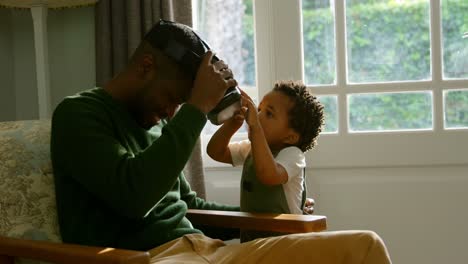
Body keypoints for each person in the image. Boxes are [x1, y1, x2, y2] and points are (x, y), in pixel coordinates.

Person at [51, 19, 392, 263]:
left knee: (363, 247)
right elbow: (133, 197)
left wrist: (274, 215)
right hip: (149, 259)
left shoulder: (154, 123)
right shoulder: (79, 115)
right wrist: (198, 106)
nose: (172, 112)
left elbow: (191, 206)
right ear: (145, 66)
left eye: (181, 104)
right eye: (172, 98)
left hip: (209, 251)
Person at [207, 80, 324, 242]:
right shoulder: (250, 148)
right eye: (259, 109)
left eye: (269, 113)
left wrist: (255, 127)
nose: (258, 115)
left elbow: (268, 175)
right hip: (251, 242)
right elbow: (215, 152)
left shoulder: (293, 155)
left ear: (290, 137)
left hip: (287, 244)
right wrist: (232, 124)